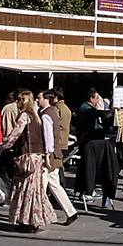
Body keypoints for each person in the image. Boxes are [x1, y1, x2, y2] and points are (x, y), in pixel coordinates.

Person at [2, 90, 54, 233]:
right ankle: (34, 220)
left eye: (20, 100)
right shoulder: (36, 116)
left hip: (27, 157)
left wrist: (3, 145)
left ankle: (25, 220)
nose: (18, 103)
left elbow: (15, 134)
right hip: (37, 157)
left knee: (23, 189)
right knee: (34, 190)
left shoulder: (24, 116)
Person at [75, 90, 118, 210]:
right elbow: (98, 115)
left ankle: (92, 192)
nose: (99, 101)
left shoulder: (90, 109)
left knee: (101, 169)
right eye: (97, 98)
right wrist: (110, 112)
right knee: (90, 168)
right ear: (91, 98)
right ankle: (87, 191)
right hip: (89, 143)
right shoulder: (86, 109)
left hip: (95, 142)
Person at [40, 90, 79, 225]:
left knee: (41, 187)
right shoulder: (57, 111)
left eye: (39, 98)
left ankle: (40, 215)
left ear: (46, 99)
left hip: (50, 155)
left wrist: (47, 154)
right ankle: (71, 212)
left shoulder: (46, 114)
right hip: (57, 152)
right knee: (54, 184)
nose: (37, 100)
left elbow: (48, 136)